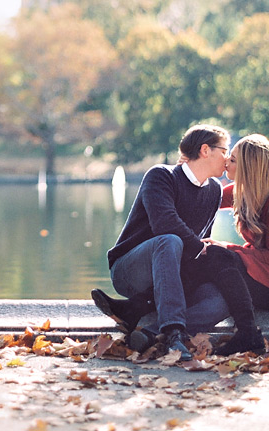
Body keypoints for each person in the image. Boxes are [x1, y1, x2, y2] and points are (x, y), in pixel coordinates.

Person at [91, 124, 232, 361]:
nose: (227, 158)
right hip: (131, 271)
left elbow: (197, 247)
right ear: (206, 150)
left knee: (221, 298)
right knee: (170, 241)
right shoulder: (161, 176)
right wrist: (200, 248)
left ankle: (149, 330)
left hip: (170, 277)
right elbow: (165, 224)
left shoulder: (214, 191)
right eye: (224, 150)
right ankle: (173, 333)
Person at [206, 134, 269, 313]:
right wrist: (189, 168)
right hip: (260, 269)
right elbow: (205, 200)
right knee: (207, 257)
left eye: (233, 160)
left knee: (220, 255)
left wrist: (227, 247)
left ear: (249, 168)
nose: (226, 163)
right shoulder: (243, 192)